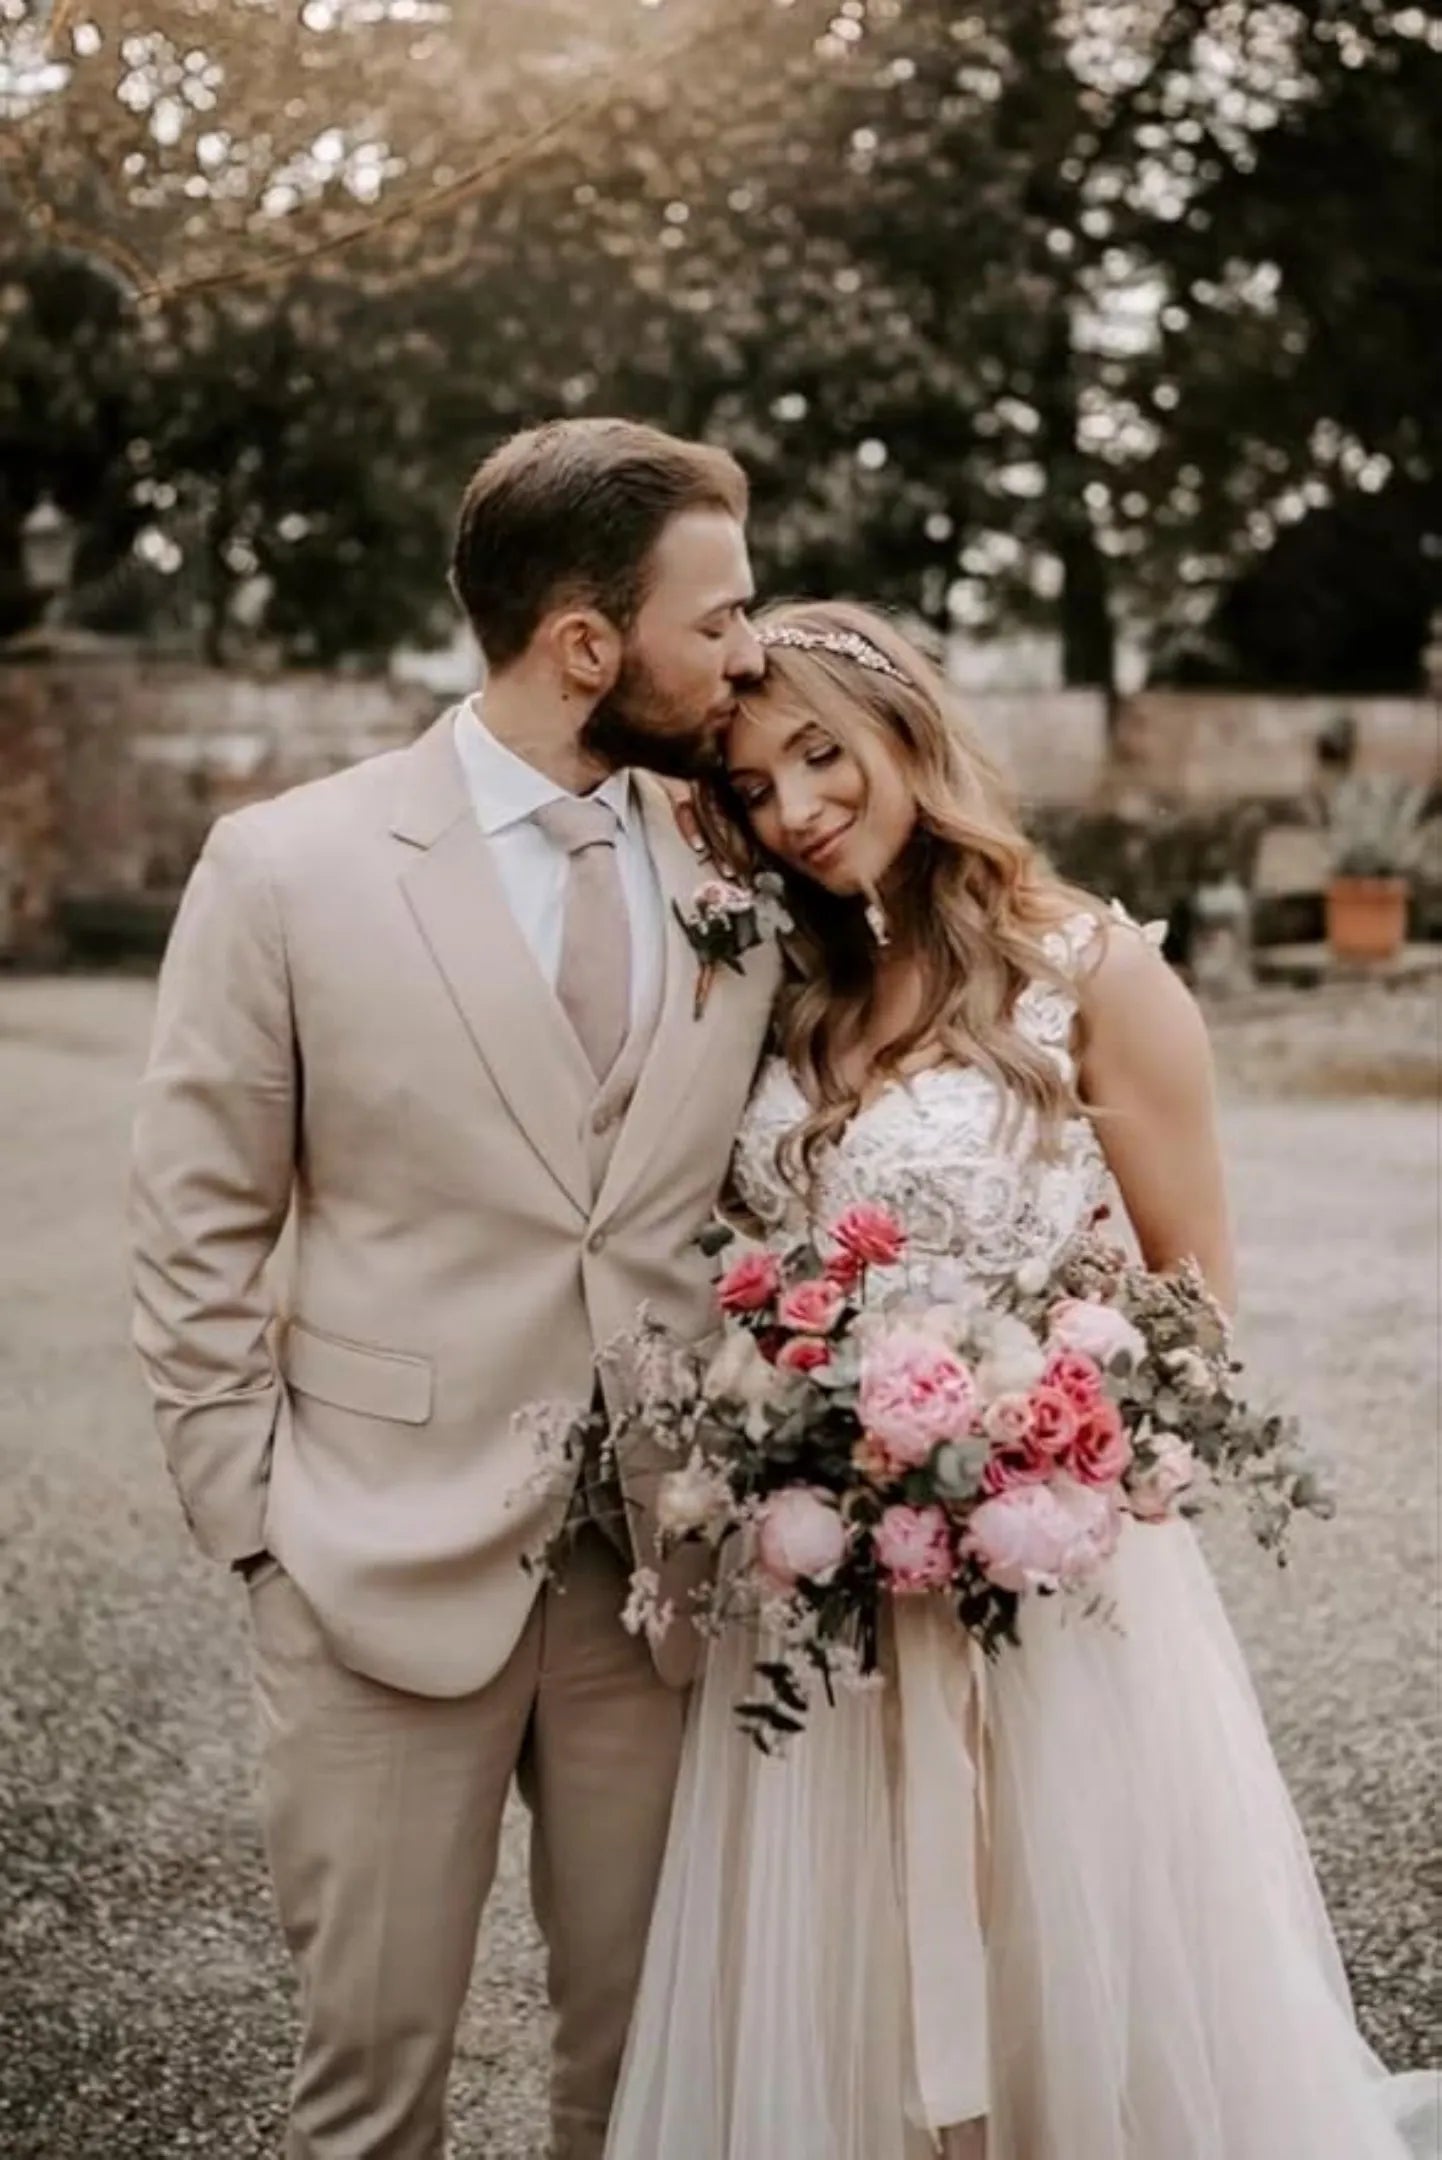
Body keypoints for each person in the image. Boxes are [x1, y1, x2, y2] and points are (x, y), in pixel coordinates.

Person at [605, 599, 1438, 2160]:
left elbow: (1192, 1314)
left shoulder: (1096, 970)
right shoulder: (786, 995)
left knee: (1082, 1958)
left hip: (1053, 1591)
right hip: (823, 1600)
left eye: (816, 754)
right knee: (833, 1970)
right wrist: (790, 1435)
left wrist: (1030, 1447)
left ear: (905, 726)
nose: (795, 810)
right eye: (755, 789)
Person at [129, 416, 776, 2160]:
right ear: (588, 644)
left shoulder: (736, 864)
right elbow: (195, 1227)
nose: (749, 654)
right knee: (371, 2083)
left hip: (655, 1571)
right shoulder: (290, 866)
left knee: (648, 2074)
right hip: (367, 1563)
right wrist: (254, 1527)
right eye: (715, 619)